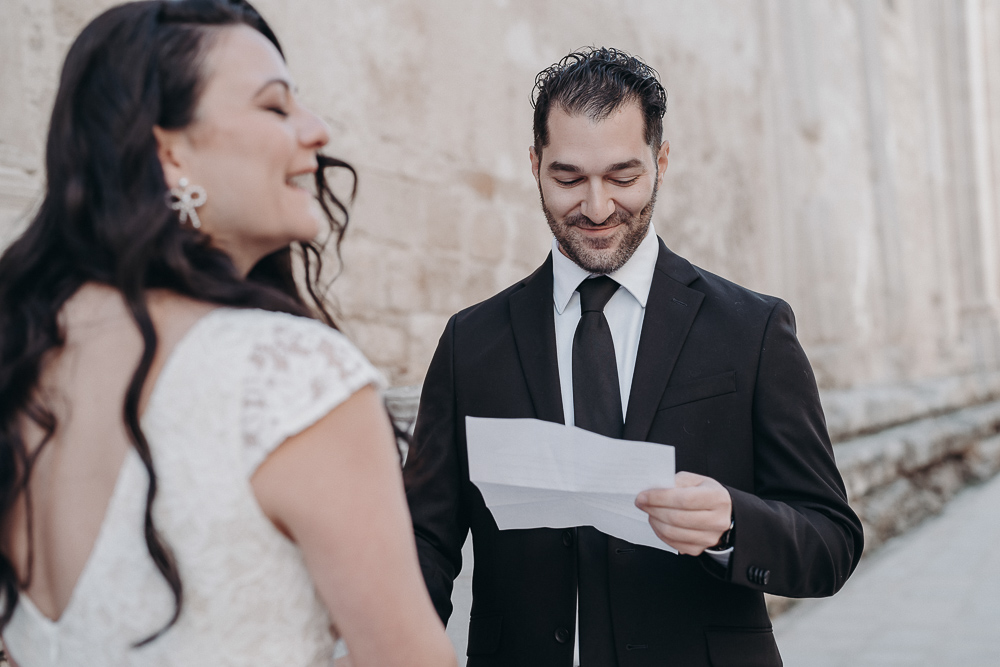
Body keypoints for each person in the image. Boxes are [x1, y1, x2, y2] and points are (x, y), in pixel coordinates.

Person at [0, 2, 456, 666]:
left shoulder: (24, 349)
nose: (318, 130)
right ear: (169, 152)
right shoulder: (292, 374)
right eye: (275, 107)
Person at [403, 47, 864, 666]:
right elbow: (425, 543)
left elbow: (831, 542)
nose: (596, 208)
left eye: (623, 176)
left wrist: (733, 525)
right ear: (535, 165)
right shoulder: (470, 344)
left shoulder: (752, 329)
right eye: (568, 179)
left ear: (661, 162)